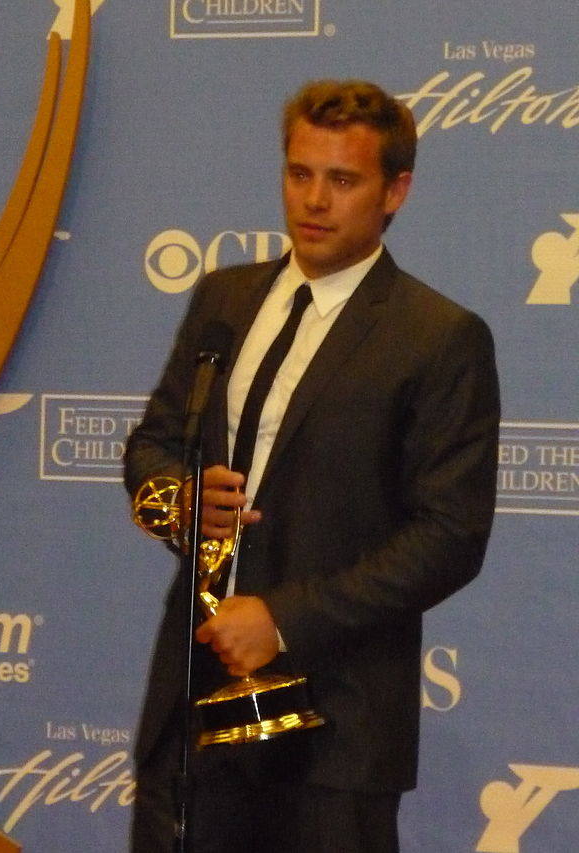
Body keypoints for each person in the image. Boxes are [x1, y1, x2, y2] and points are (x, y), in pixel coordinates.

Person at [124, 79, 500, 853]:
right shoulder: (224, 297)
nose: (315, 200)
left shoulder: (439, 336)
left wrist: (284, 620)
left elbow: (450, 536)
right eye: (300, 174)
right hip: (195, 703)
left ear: (396, 190)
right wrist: (180, 501)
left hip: (337, 730)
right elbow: (151, 447)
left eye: (343, 179)